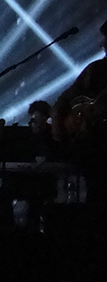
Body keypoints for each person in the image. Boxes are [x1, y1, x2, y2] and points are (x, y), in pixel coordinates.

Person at [52, 18, 107, 204]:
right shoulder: (96, 69)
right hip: (94, 149)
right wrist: (60, 128)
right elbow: (62, 101)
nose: (102, 44)